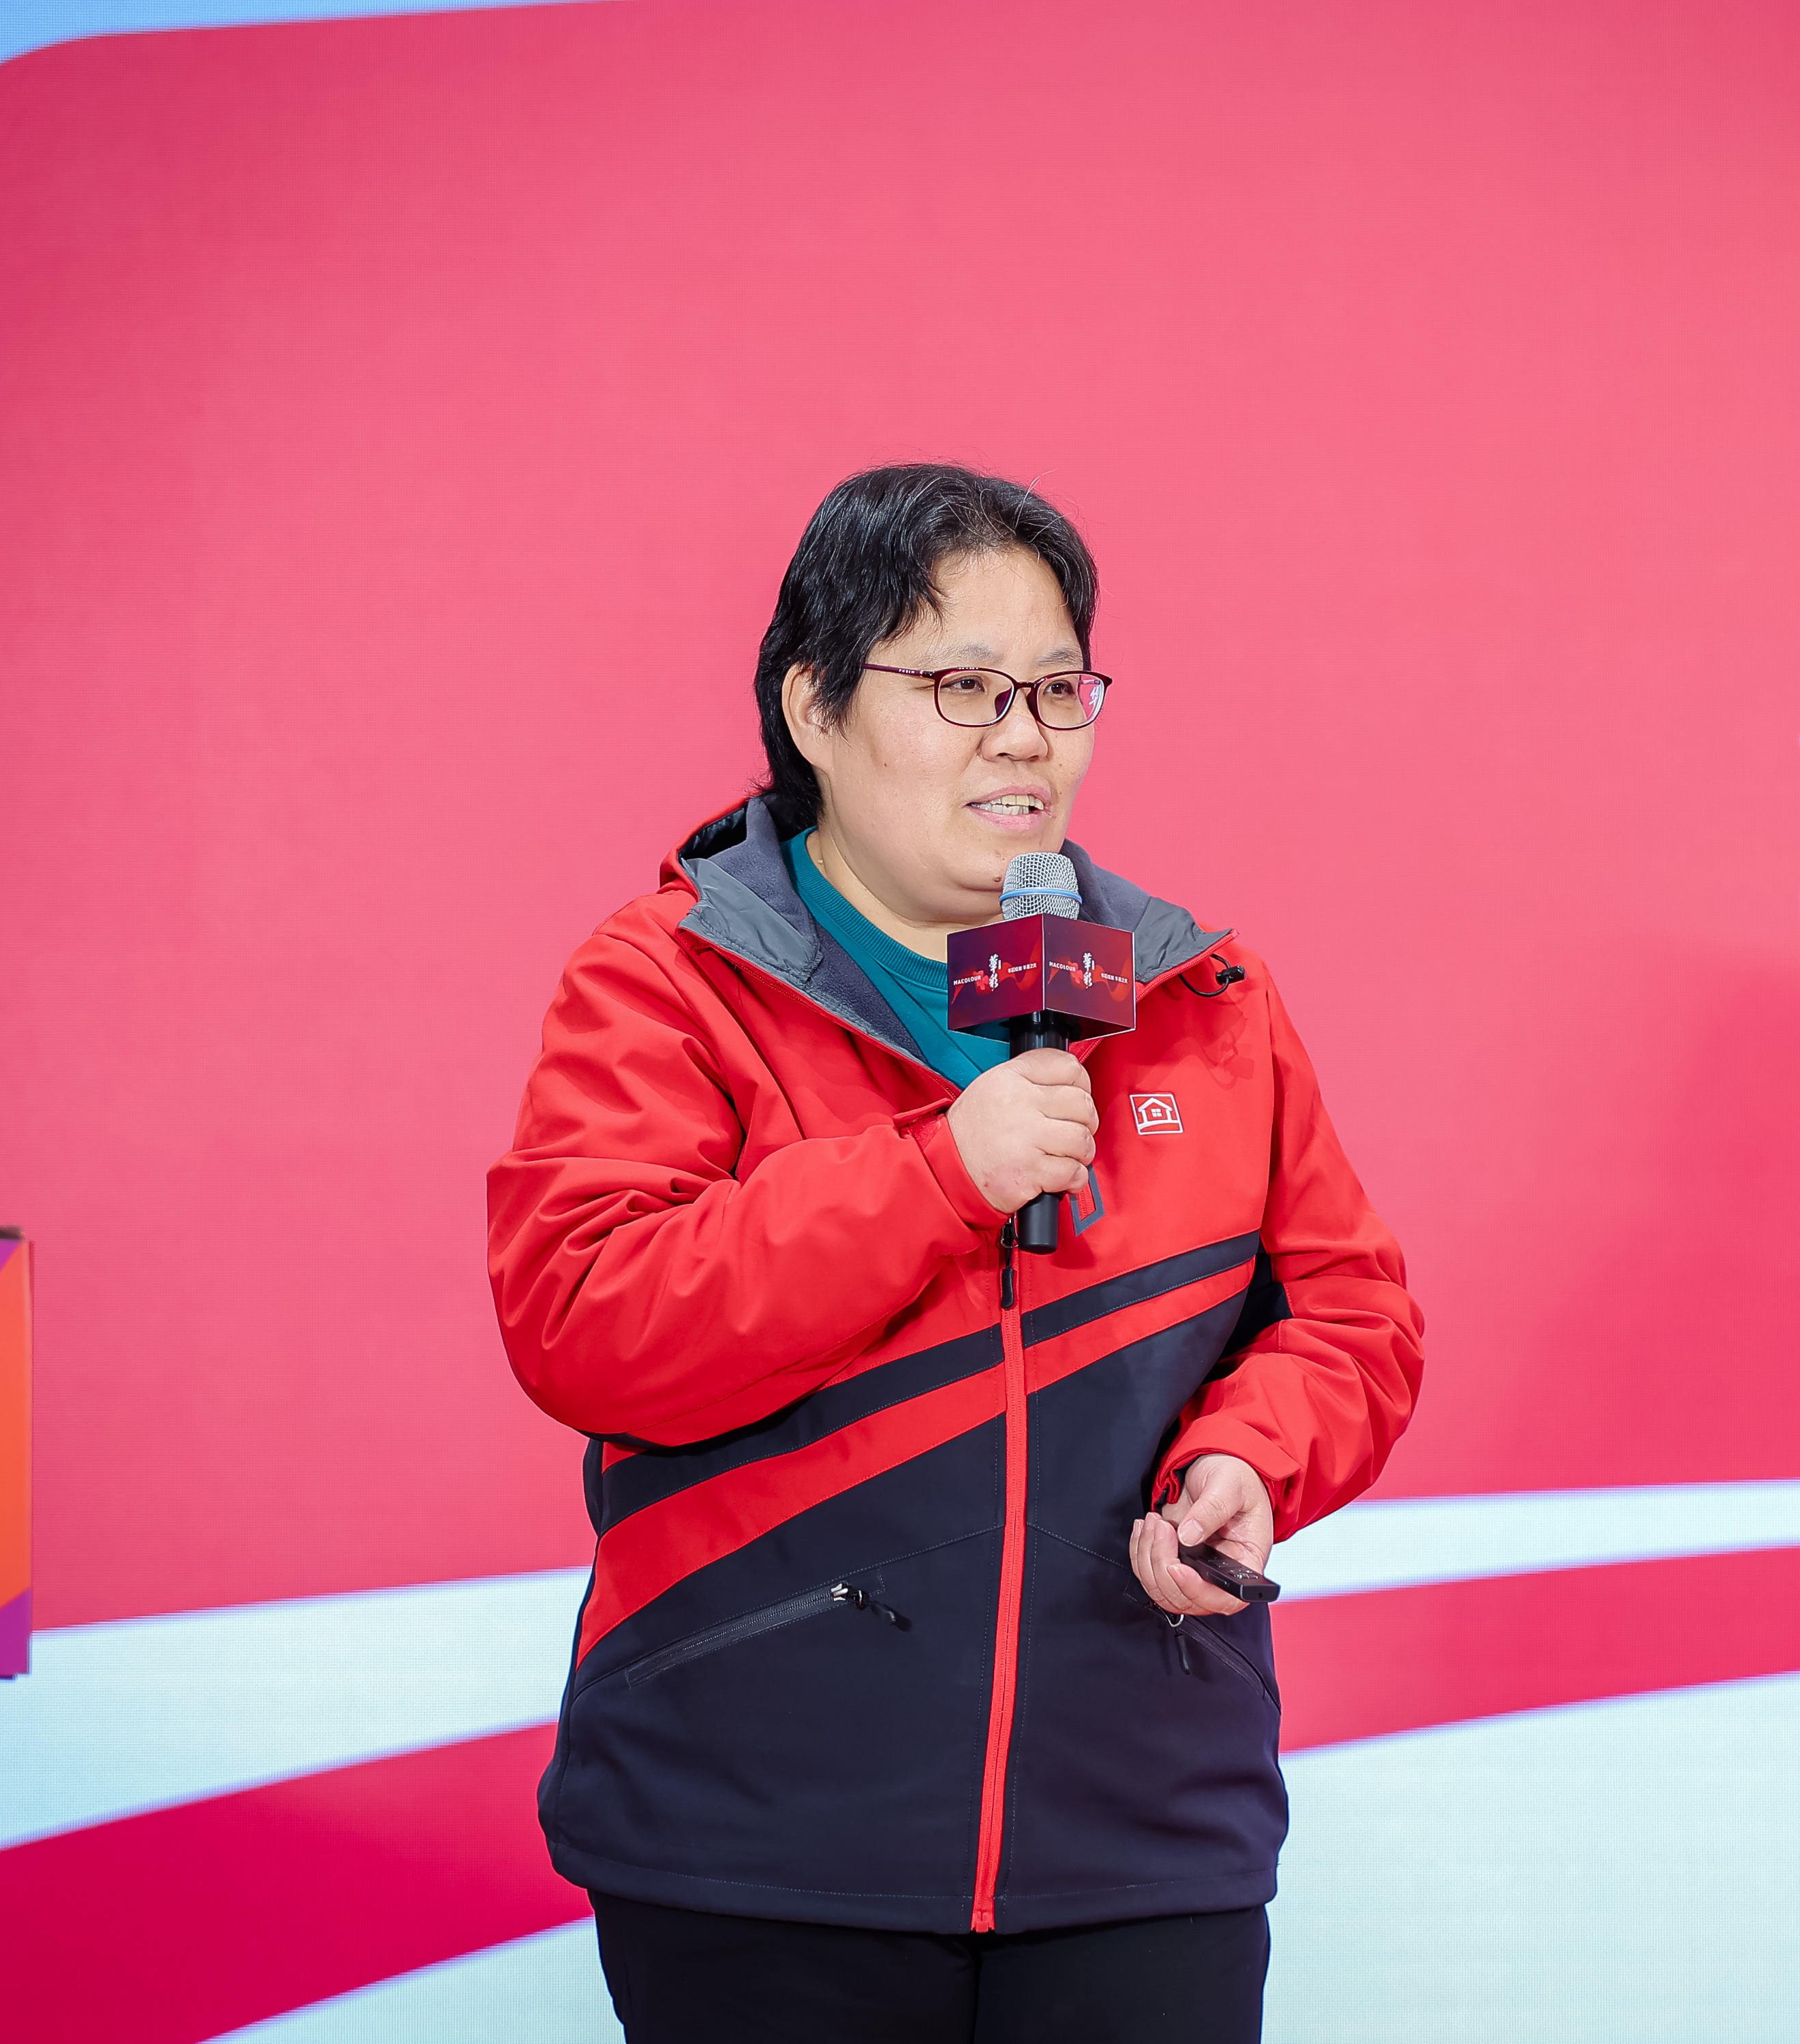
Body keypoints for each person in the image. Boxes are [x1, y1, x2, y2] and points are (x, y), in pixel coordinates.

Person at [486, 463, 1425, 2043]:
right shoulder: (673, 980)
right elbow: (589, 1319)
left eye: (1059, 690)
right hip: (761, 1848)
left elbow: (1351, 1317)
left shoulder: (1196, 999)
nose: (1025, 738)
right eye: (965, 688)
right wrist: (939, 1174)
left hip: (1140, 1839)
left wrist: (1251, 1460)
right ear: (814, 705)